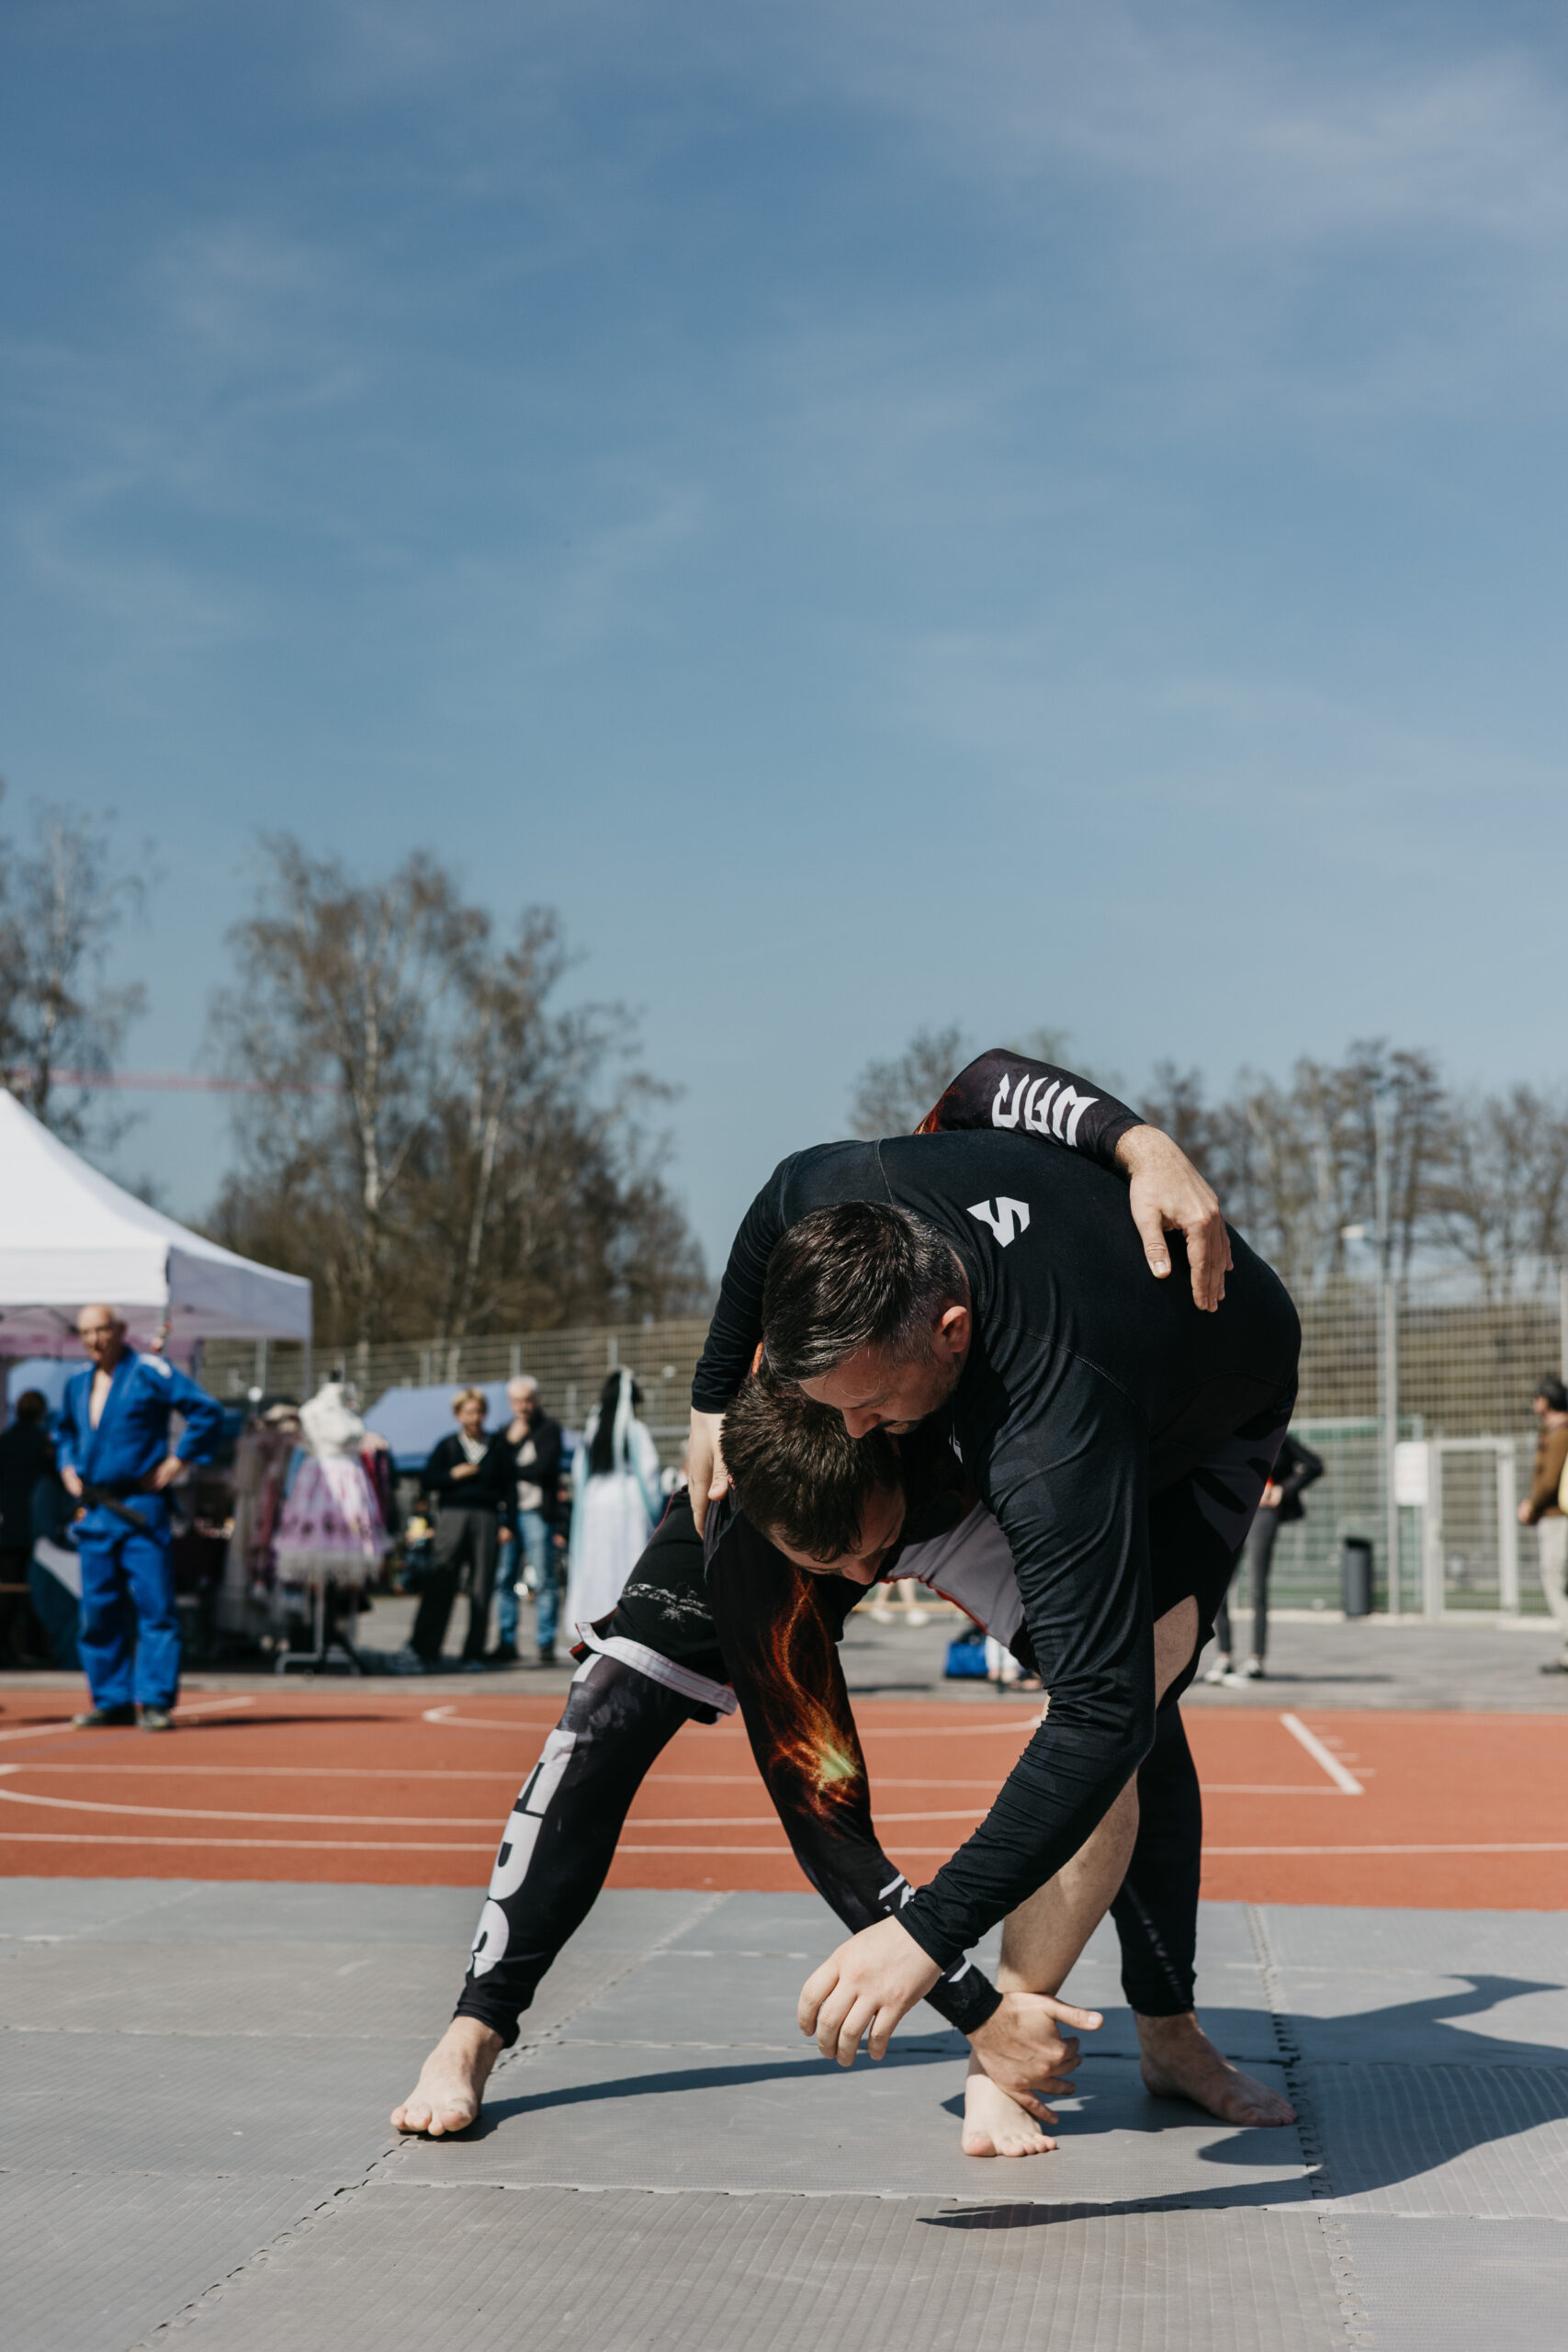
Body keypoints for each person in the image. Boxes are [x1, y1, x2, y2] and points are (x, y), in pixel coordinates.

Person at [394, 1382, 1287, 2152]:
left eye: (870, 1554)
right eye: (843, 1567)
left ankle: (1169, 2027)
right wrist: (978, 2008)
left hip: (947, 1487)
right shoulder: (756, 1553)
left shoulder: (948, 1412)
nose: (866, 1577)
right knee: (606, 1710)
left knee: (1128, 1703)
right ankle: (475, 2025)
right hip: (778, 1499)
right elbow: (827, 1817)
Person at [687, 1045, 1299, 2075]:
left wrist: (934, 1939)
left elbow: (1100, 1716)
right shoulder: (834, 1193)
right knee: (1115, 1696)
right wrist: (711, 1392)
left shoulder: (1047, 1436)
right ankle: (1064, 2033)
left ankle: (1061, 2037)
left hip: (1203, 1396)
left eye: (870, 1406)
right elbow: (972, 1084)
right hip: (1029, 1326)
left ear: (953, 1334)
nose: (858, 1430)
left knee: (1136, 1678)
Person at [54, 1306, 225, 1731]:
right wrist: (67, 1468)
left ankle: (154, 1700)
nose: (95, 1340)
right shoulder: (77, 1382)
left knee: (155, 1606)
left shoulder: (149, 1371)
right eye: (86, 1332)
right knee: (98, 1610)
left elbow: (206, 1411)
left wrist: (177, 1461)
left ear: (121, 1330)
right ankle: (111, 1698)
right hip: (95, 1512)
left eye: (102, 1330)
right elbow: (64, 1434)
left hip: (140, 1511)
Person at [401, 1390, 514, 1672]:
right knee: (441, 1580)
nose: (474, 1418)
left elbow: (509, 1488)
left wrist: (507, 1524)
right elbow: (428, 1479)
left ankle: (473, 1653)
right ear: (458, 1415)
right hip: (452, 1516)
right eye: (468, 1412)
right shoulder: (448, 1446)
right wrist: (453, 1474)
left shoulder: (498, 1445)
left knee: (481, 1586)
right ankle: (425, 1647)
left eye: (478, 1412)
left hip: (486, 1518)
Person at [1203, 1428, 1323, 1684]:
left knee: (1257, 1588)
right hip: (1229, 1511)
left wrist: (1284, 1489)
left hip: (1262, 1514)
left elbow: (1314, 1465)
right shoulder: (1225, 1432)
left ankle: (1256, 1659)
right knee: (1218, 1587)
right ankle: (1224, 1656)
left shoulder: (1277, 1435)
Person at [563, 1369, 662, 1637]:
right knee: (629, 1558)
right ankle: (630, 1619)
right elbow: (650, 1471)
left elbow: (578, 1469)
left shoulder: (592, 1429)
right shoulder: (636, 1430)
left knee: (598, 1561)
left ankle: (595, 1617)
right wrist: (655, 1509)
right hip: (626, 1503)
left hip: (595, 1503)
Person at [491, 1375, 566, 1668]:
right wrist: (511, 1446)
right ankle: (506, 1641)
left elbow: (543, 1468)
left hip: (537, 1513)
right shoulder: (503, 1434)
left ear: (536, 1400)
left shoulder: (549, 1430)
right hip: (510, 1515)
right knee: (504, 1578)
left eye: (527, 1400)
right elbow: (496, 1472)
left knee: (544, 1578)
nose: (523, 1406)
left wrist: (513, 1466)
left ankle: (545, 1642)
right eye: (517, 1401)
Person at [0, 1390, 55, 1666]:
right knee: (37, 1589)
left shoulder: (5, 1441)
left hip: (8, 1527)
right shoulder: (42, 1443)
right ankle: (35, 1645)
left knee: (8, 1590)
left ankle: (5, 1646)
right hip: (36, 1527)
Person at [1519, 1374, 1568, 1676]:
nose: (1535, 1402)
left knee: (1554, 1577)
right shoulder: (1554, 1430)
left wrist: (1531, 1506)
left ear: (1548, 1400)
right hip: (1555, 1517)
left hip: (1558, 1519)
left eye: (1538, 1396)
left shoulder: (1561, 1432)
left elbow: (1549, 1480)